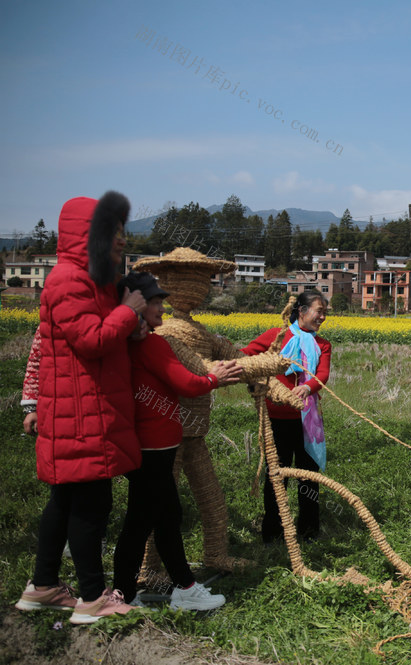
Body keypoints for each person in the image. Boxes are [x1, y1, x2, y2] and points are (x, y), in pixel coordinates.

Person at [16, 192, 148, 624]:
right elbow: (91, 341)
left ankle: (43, 586)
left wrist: (129, 317)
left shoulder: (91, 279)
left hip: (82, 410)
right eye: (115, 233)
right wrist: (128, 312)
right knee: (91, 505)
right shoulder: (68, 281)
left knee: (64, 502)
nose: (122, 242)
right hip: (81, 414)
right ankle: (93, 598)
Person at [112, 271, 242, 610]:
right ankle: (127, 593)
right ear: (136, 306)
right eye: (153, 301)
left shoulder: (130, 342)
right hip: (154, 447)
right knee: (143, 521)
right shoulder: (154, 344)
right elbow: (186, 382)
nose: (161, 306)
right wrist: (217, 377)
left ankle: (181, 587)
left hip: (149, 444)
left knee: (165, 517)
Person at [242, 290, 331, 543]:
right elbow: (247, 354)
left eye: (325, 313)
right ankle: (272, 531)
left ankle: (309, 531)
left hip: (307, 421)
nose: (322, 317)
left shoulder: (323, 345)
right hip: (277, 418)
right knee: (277, 475)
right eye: (319, 311)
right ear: (301, 311)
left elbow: (321, 375)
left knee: (308, 476)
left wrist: (307, 387)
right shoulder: (278, 336)